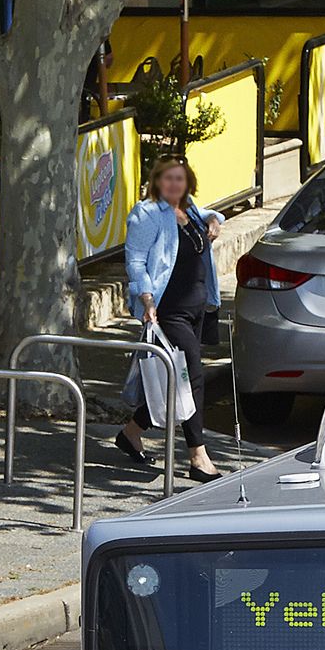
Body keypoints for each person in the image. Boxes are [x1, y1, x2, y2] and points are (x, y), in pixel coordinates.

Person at [119, 153, 223, 481]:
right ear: (157, 182)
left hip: (196, 309)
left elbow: (212, 214)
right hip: (167, 309)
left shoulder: (190, 210)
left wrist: (214, 220)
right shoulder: (147, 213)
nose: (174, 184)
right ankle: (198, 456)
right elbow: (135, 261)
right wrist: (146, 299)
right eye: (168, 178)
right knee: (192, 376)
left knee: (172, 379)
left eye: (180, 178)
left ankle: (131, 432)